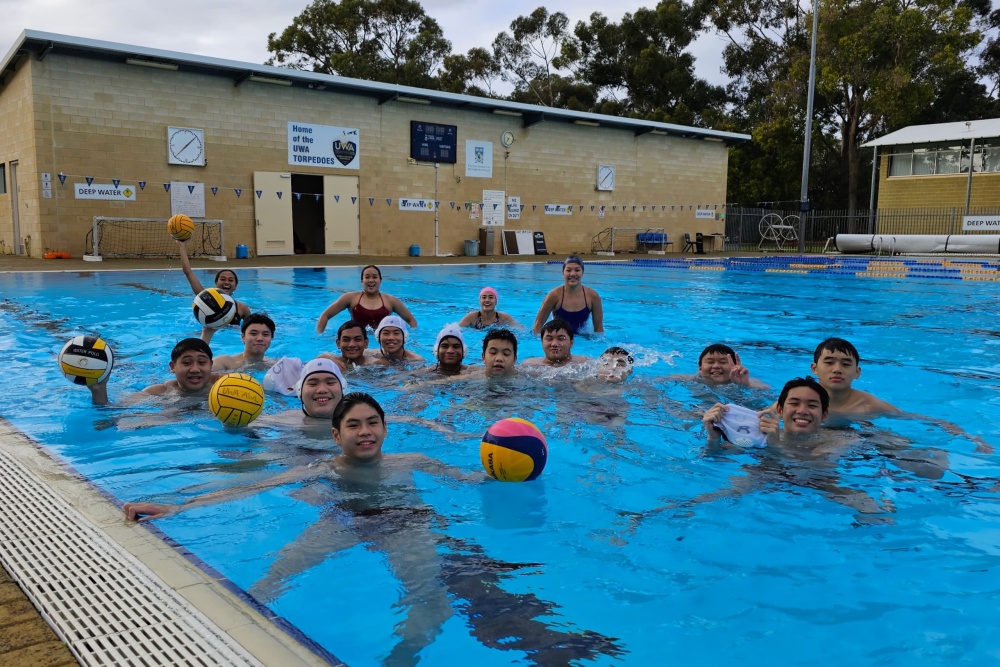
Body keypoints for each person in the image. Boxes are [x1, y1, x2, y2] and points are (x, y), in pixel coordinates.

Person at [124, 393, 622, 664]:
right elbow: (247, 489)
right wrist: (176, 509)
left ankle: (402, 655)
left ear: (385, 428)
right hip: (343, 519)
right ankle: (222, 642)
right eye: (354, 425)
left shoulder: (412, 460)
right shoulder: (321, 470)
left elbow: (474, 480)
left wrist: (516, 472)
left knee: (430, 596)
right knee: (277, 573)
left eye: (373, 423)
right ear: (336, 434)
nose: (365, 432)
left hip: (406, 526)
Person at [810, 337, 991, 452]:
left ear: (857, 372)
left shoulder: (868, 405)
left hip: (857, 438)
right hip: (818, 437)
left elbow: (914, 418)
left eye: (846, 364)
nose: (837, 369)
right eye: (829, 362)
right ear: (815, 369)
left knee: (913, 455)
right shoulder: (800, 399)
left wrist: (970, 437)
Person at [86, 338, 225, 405]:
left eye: (202, 362)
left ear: (211, 365)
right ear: (172, 367)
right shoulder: (160, 392)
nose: (195, 369)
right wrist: (99, 389)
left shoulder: (228, 384)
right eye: (186, 363)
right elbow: (113, 414)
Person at [178, 240, 250, 342]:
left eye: (231, 280)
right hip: (210, 339)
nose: (226, 282)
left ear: (236, 286)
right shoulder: (205, 300)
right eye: (222, 279)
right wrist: (182, 245)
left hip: (232, 341)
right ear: (216, 283)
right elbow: (188, 272)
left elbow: (252, 329)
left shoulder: (242, 308)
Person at [315, 265, 417, 333]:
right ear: (362, 281)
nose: (371, 280)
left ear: (380, 280)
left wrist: (410, 339)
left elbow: (411, 320)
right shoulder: (350, 298)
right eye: (367, 277)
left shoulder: (391, 301)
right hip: (357, 340)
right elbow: (325, 315)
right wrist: (319, 337)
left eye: (374, 277)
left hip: (381, 341)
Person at [532, 256, 604, 335]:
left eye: (577, 270)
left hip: (582, 338)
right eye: (568, 270)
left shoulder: (593, 297)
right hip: (559, 339)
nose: (572, 274)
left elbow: (598, 329)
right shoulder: (554, 296)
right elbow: (537, 326)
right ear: (563, 273)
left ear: (582, 272)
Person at [671, 344, 768, 389]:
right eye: (710, 362)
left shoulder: (747, 382)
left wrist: (745, 385)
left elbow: (767, 391)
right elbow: (659, 381)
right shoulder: (692, 380)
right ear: (700, 368)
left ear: (734, 366)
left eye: (723, 362)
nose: (716, 366)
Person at [522, 319, 588, 367]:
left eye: (561, 338)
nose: (554, 344)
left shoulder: (585, 364)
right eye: (549, 339)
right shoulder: (529, 366)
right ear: (542, 342)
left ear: (571, 343)